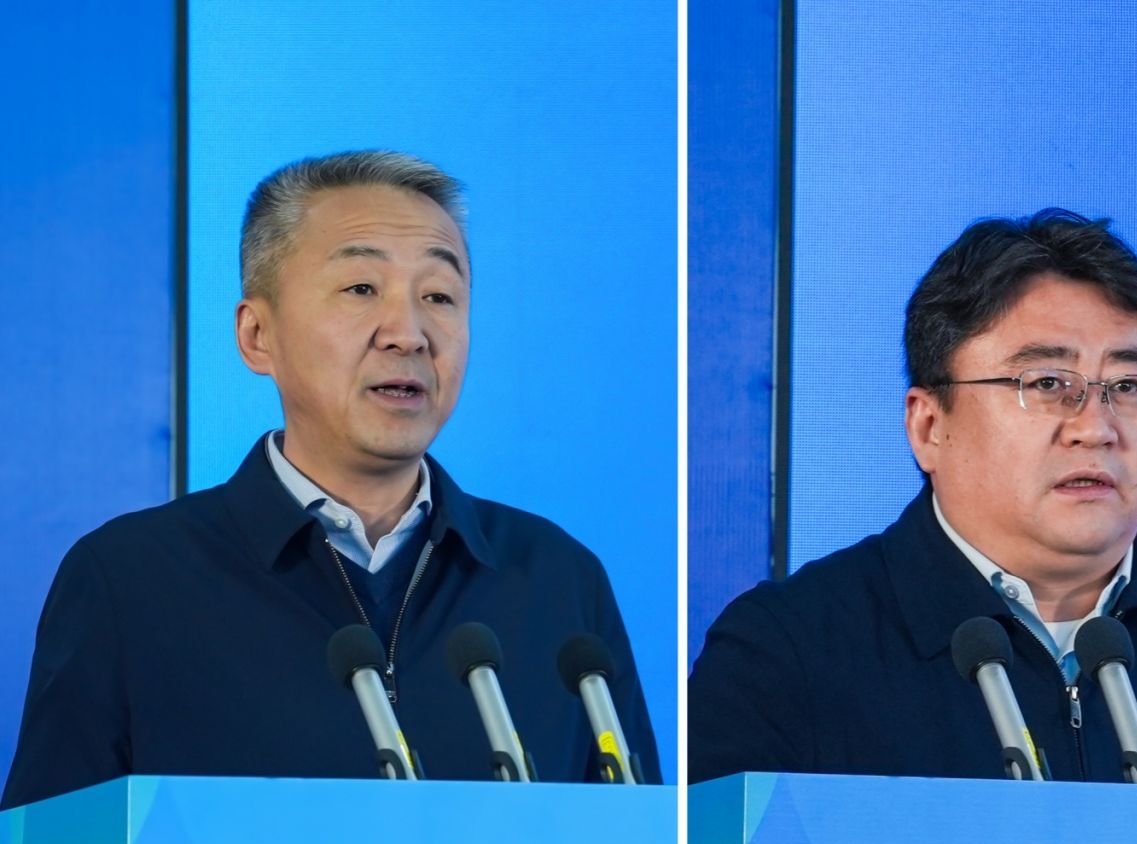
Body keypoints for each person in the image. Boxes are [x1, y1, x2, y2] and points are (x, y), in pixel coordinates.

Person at [1, 150, 662, 809]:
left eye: (438, 296)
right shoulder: (129, 580)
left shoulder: (557, 578)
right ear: (257, 335)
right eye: (361, 289)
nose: (409, 334)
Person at [688, 209, 1137, 788]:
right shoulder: (787, 651)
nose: (1096, 427)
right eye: (1047, 383)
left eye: (1128, 386)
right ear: (929, 425)